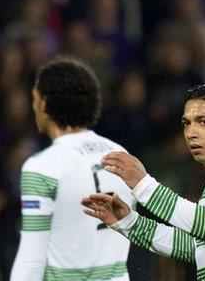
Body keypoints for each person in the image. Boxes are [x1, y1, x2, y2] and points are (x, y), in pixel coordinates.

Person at [81, 84, 205, 280]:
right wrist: (130, 222)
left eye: (203, 121)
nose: (191, 133)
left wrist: (144, 186)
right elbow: (197, 248)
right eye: (187, 123)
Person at [11, 58, 135, 280]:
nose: (33, 106)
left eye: (35, 99)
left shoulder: (42, 167)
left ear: (45, 105)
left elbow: (31, 258)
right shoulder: (122, 155)